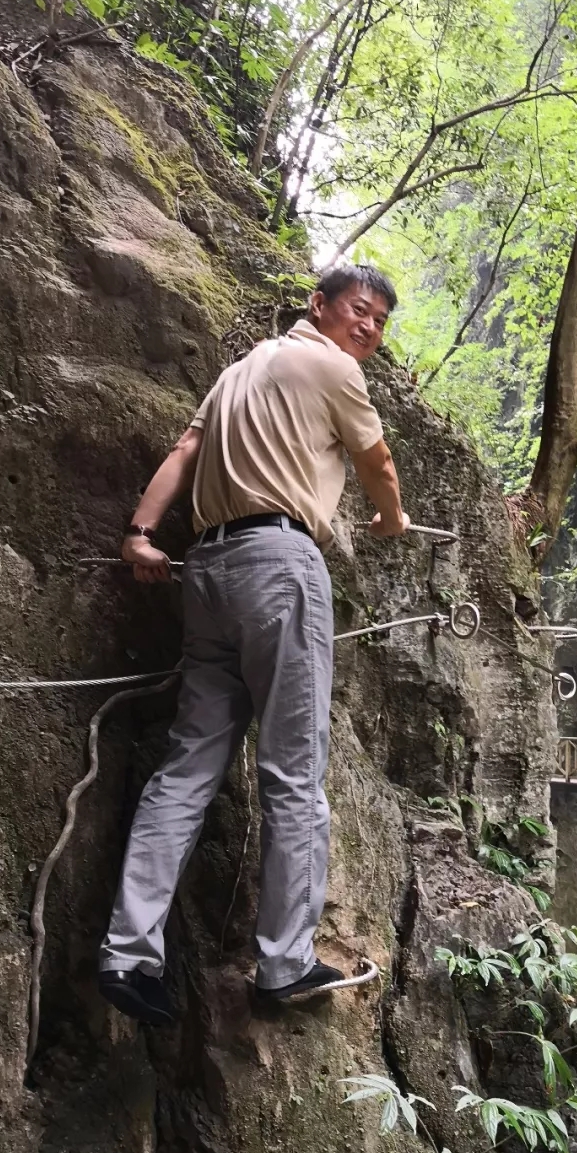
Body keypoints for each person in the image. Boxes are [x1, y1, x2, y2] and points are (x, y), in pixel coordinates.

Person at [98, 264, 410, 1025]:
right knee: (295, 771)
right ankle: (284, 961)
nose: (367, 328)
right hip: (279, 565)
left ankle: (128, 950)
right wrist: (392, 516)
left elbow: (183, 450)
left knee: (187, 768)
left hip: (205, 570)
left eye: (378, 322)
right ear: (321, 306)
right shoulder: (333, 367)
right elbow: (378, 463)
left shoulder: (237, 371)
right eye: (360, 311)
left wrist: (140, 533)